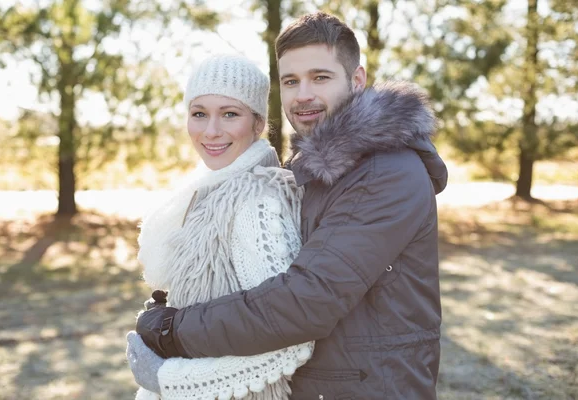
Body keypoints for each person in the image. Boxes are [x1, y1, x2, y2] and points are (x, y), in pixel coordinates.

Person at [135, 11, 449, 399]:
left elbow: (306, 301)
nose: (303, 95)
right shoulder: (311, 169)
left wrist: (172, 331)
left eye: (320, 77)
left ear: (356, 80)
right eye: (290, 81)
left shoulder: (385, 173)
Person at [126, 54, 314, 400]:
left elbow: (290, 341)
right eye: (199, 113)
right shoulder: (207, 190)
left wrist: (170, 378)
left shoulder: (255, 200)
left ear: (258, 124)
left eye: (230, 114)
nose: (211, 131)